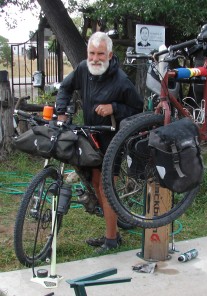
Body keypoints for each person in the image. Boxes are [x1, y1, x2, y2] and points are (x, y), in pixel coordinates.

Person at [56, 32, 143, 253]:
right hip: (91, 137)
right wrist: (61, 114)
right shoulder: (83, 69)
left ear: (110, 54)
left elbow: (138, 109)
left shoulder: (121, 80)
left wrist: (114, 108)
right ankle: (112, 231)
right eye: (91, 53)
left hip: (114, 140)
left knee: (106, 188)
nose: (95, 58)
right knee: (96, 184)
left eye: (100, 54)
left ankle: (111, 240)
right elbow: (65, 88)